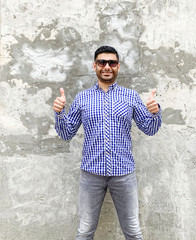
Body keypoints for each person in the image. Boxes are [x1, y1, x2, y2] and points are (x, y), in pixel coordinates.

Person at [53, 46, 162, 240]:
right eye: (102, 62)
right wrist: (60, 113)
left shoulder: (130, 96)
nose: (107, 67)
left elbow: (149, 129)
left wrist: (155, 112)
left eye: (112, 63)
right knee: (85, 231)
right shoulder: (82, 98)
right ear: (94, 65)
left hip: (123, 173)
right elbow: (67, 133)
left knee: (133, 232)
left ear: (118, 66)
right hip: (91, 174)